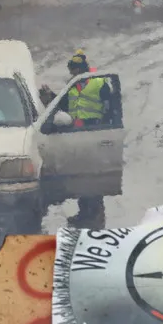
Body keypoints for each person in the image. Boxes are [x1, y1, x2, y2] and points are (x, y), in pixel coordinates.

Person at [39, 50, 113, 228]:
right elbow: (65, 105)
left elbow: (110, 109)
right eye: (71, 72)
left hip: (94, 135)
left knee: (93, 178)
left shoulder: (99, 83)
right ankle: (85, 213)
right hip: (77, 136)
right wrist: (50, 98)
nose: (72, 74)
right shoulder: (75, 85)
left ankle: (95, 215)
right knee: (82, 177)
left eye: (75, 71)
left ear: (82, 69)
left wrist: (105, 131)